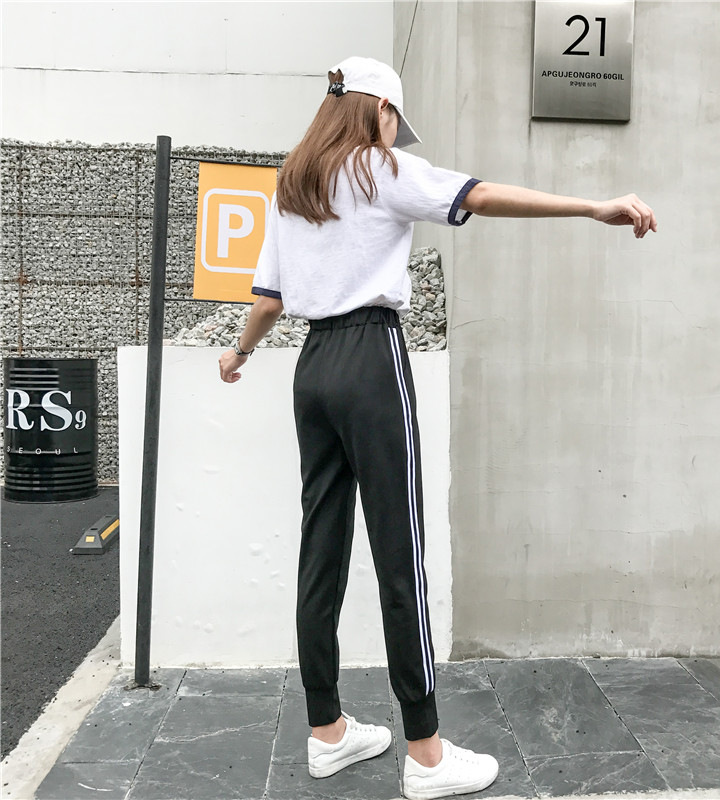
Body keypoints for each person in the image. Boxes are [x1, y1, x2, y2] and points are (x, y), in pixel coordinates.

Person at [219, 56, 656, 800]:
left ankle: (327, 731)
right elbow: (478, 194)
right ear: (379, 111)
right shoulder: (380, 169)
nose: (396, 132)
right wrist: (591, 206)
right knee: (401, 550)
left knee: (321, 545)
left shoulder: (292, 185)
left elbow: (268, 300)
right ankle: (426, 755)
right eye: (395, 119)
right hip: (370, 360)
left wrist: (239, 352)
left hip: (312, 369)